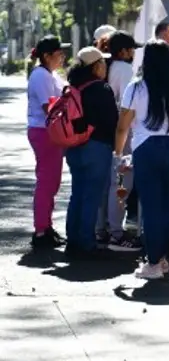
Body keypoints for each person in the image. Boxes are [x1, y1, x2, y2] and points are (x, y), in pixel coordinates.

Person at [115, 41, 169, 281]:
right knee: (168, 206)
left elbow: (122, 127)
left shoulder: (136, 87)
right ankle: (160, 258)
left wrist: (118, 154)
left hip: (145, 149)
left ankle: (153, 260)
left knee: (149, 207)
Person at [61, 47, 119, 258]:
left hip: (74, 146)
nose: (106, 67)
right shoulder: (102, 89)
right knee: (92, 196)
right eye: (103, 63)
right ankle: (86, 243)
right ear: (96, 66)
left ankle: (72, 240)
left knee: (77, 194)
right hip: (97, 147)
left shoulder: (72, 87)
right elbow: (112, 120)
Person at [97, 31, 144, 251]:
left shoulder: (108, 67)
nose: (134, 53)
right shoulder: (125, 70)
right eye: (132, 49)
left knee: (109, 182)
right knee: (123, 182)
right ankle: (117, 232)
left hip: (108, 131)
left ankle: (103, 228)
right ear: (124, 51)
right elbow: (128, 105)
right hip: (123, 132)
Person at [27, 35, 69, 250]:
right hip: (44, 132)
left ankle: (46, 226)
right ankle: (41, 229)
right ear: (46, 55)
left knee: (51, 182)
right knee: (46, 182)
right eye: (59, 53)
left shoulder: (50, 75)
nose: (62, 57)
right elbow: (48, 107)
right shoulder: (41, 76)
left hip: (50, 132)